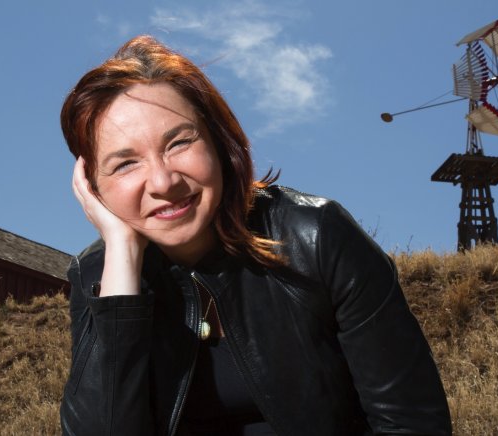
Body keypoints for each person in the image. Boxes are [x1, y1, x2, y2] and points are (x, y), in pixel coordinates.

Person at [59, 35, 452, 436]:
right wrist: (122, 259)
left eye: (179, 142)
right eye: (125, 164)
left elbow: (413, 424)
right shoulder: (96, 274)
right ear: (93, 187)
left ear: (217, 141)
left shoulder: (317, 238)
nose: (163, 181)